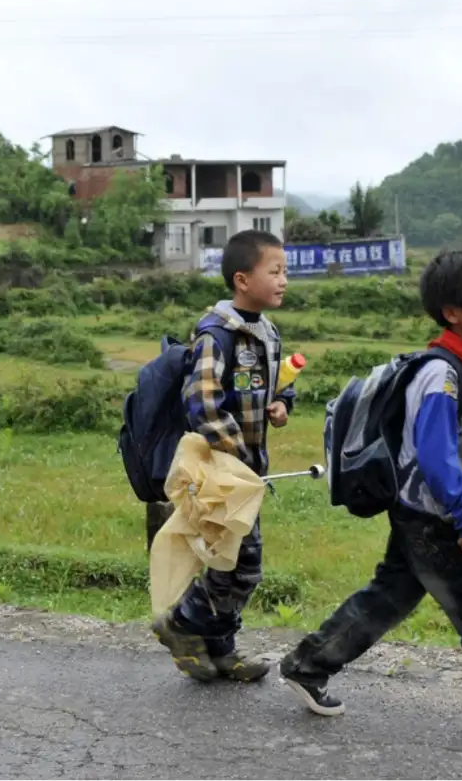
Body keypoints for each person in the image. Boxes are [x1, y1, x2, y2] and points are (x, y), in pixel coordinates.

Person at [278, 248, 462, 750]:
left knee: (387, 598)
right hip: (435, 520)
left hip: (421, 513)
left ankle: (307, 664)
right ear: (453, 312)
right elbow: (435, 457)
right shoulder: (442, 375)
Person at [151, 229, 294, 682]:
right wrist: (237, 455)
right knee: (243, 564)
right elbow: (203, 405)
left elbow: (276, 387)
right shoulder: (217, 334)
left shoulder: (267, 333)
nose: (284, 279)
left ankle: (221, 648)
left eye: (285, 271)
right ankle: (180, 623)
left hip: (248, 472)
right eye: (274, 271)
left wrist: (281, 405)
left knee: (229, 557)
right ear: (241, 280)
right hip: (223, 472)